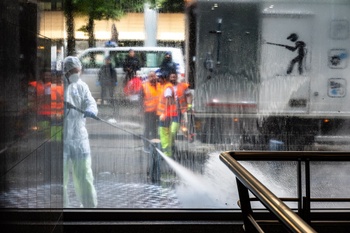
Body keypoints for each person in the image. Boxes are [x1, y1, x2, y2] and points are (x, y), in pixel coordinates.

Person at [63, 56, 98, 208]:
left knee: (85, 175)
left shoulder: (81, 86)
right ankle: (62, 208)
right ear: (66, 71)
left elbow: (90, 101)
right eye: (74, 71)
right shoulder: (59, 87)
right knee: (60, 178)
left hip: (79, 137)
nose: (77, 74)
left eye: (78, 71)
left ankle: (90, 206)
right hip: (62, 138)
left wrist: (91, 110)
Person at [157, 71, 192, 157]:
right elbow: (167, 100)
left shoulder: (182, 85)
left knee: (173, 131)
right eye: (171, 77)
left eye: (174, 77)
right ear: (169, 78)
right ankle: (170, 148)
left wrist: (189, 104)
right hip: (167, 113)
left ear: (177, 77)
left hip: (178, 112)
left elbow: (189, 95)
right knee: (165, 131)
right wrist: (164, 113)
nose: (173, 78)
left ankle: (170, 147)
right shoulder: (167, 87)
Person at [140, 71, 161, 152]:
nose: (152, 78)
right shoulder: (144, 86)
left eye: (153, 76)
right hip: (148, 112)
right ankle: (146, 146)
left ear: (156, 76)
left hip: (158, 112)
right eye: (150, 76)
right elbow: (140, 99)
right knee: (148, 129)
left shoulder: (159, 85)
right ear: (148, 78)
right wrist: (141, 110)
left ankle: (154, 146)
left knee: (155, 130)